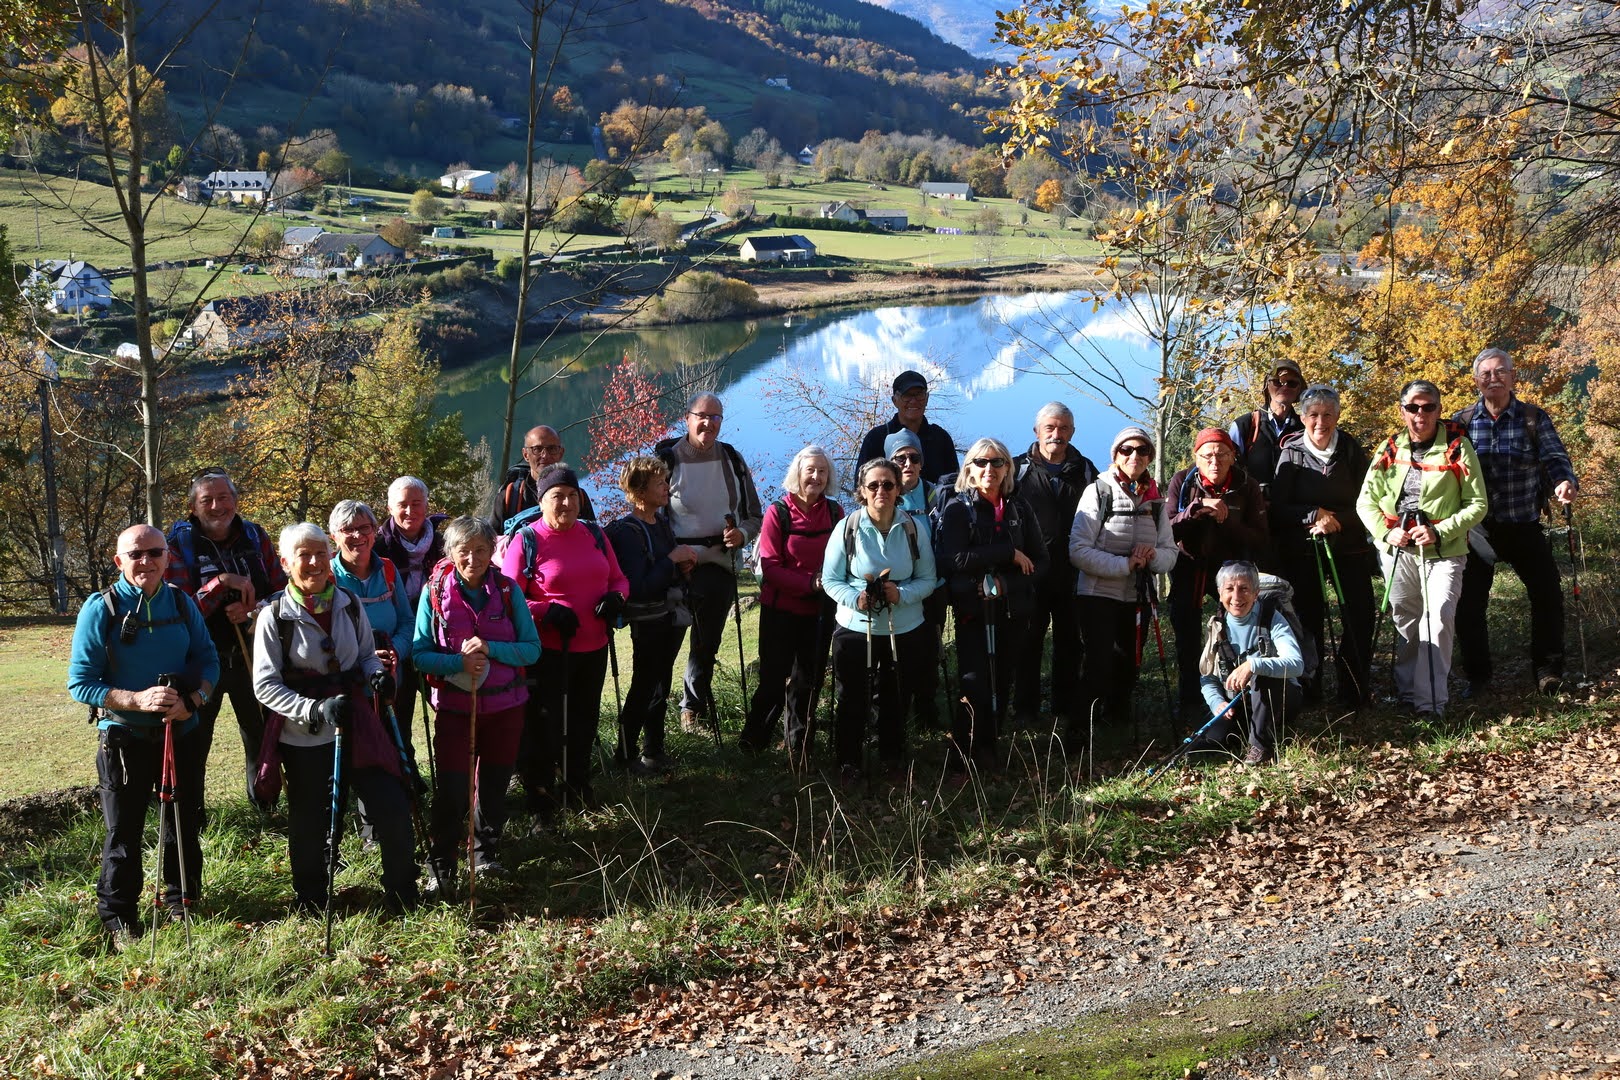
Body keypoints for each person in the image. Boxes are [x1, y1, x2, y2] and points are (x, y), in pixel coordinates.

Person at [252, 524, 418, 913]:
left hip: (358, 722)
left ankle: (402, 893)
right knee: (310, 820)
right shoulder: (274, 616)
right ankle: (310, 899)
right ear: (285, 562)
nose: (314, 562)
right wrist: (314, 709)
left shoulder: (349, 603)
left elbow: (365, 655)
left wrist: (376, 674)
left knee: (392, 803)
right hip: (304, 734)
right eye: (303, 555)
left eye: (320, 553)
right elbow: (265, 685)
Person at [68, 525, 219, 951]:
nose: (146, 561)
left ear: (167, 557)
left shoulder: (181, 602)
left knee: (183, 822)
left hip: (180, 733)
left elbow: (208, 660)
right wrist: (136, 699)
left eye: (155, 552)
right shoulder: (101, 608)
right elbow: (80, 683)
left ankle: (182, 900)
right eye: (136, 554)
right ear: (119, 561)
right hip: (124, 737)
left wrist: (194, 700)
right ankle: (119, 918)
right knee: (124, 830)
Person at [411, 517, 540, 894]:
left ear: (492, 551)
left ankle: (485, 855)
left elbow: (532, 649)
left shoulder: (508, 590)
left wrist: (490, 648)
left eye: (481, 549)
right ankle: (442, 865)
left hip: (506, 707)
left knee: (494, 785)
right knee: (452, 788)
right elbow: (419, 654)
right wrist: (458, 663)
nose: (472, 558)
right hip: (455, 709)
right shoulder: (434, 592)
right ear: (450, 553)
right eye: (463, 551)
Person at [1356, 379, 1488, 719]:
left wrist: (1439, 532)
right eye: (1413, 407)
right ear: (1402, 411)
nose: (1420, 414)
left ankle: (1431, 704)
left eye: (1428, 407)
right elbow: (1365, 502)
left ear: (1439, 410)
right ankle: (1408, 693)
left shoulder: (1457, 447)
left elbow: (1477, 503)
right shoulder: (1389, 448)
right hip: (1398, 550)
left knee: (1439, 617)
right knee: (1407, 619)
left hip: (1445, 551)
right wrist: (1387, 534)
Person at [501, 464, 628, 815]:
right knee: (545, 726)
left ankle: (578, 788)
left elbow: (619, 579)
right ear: (542, 500)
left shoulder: (594, 534)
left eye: (573, 495)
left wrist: (617, 598)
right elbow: (508, 597)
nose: (567, 503)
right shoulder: (527, 540)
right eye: (557, 496)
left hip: (594, 647)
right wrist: (545, 611)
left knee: (584, 722)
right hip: (548, 652)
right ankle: (540, 799)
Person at [1453, 347, 1580, 696]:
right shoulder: (1461, 422)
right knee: (1468, 603)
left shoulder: (1533, 418)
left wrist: (1563, 481)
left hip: (1523, 523)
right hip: (1477, 529)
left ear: (1513, 377)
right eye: (1486, 373)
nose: (1493, 378)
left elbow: (1555, 456)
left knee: (1547, 596)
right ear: (1476, 380)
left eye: (1500, 372)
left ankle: (1548, 671)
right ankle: (1478, 676)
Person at [165, 468, 286, 810]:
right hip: (202, 662)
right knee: (195, 739)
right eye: (207, 500)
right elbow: (181, 611)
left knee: (261, 734)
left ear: (235, 501)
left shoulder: (255, 536)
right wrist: (220, 584)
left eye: (224, 498)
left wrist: (256, 611)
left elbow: (282, 592)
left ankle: (266, 808)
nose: (217, 506)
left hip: (255, 654)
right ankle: (191, 816)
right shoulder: (177, 546)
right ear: (193, 507)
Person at [819, 457, 937, 783]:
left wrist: (901, 594)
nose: (880, 490)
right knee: (851, 696)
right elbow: (830, 580)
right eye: (873, 485)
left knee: (896, 696)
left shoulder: (913, 528)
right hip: (856, 626)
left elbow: (928, 579)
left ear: (899, 489)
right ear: (862, 490)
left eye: (888, 484)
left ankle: (892, 758)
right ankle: (848, 761)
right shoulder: (847, 528)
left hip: (905, 627)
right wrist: (855, 599)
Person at [654, 392, 764, 736]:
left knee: (706, 643)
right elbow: (652, 517)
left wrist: (742, 536)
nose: (708, 423)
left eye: (715, 417)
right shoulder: (667, 460)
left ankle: (692, 710)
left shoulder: (731, 459)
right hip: (677, 568)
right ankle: (653, 718)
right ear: (687, 418)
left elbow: (754, 515)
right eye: (701, 416)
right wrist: (674, 555)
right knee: (666, 643)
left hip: (718, 564)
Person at [936, 438, 1048, 772]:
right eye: (981, 462)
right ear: (969, 468)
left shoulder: (1019, 508)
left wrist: (1005, 584)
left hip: (1013, 609)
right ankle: (963, 753)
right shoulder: (958, 508)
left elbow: (1041, 562)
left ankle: (989, 747)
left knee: (1002, 679)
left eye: (997, 462)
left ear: (1008, 468)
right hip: (973, 611)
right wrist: (1007, 553)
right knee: (974, 682)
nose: (989, 469)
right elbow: (953, 558)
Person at [1068, 427, 1178, 744]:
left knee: (1129, 664)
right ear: (1115, 455)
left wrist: (1152, 557)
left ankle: (1115, 724)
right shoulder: (1098, 492)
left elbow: (1170, 553)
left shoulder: (1155, 502)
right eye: (1127, 450)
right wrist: (1124, 565)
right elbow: (1078, 550)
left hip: (1137, 595)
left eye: (1142, 450)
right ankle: (1078, 732)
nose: (1134, 456)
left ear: (1150, 457)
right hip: (1097, 594)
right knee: (1098, 665)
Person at [1270, 386, 1376, 706]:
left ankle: (1353, 688)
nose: (1321, 422)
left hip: (1350, 545)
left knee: (1360, 615)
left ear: (1338, 416)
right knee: (1307, 618)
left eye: (1328, 414)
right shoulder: (1291, 452)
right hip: (1305, 549)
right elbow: (1278, 508)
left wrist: (1337, 520)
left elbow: (1371, 500)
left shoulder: (1350, 449)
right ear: (1303, 418)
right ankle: (1309, 687)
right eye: (1313, 415)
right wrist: (1313, 514)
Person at [739, 445, 842, 763]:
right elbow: (770, 567)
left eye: (822, 471)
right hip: (781, 611)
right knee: (772, 679)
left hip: (820, 612)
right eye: (810, 470)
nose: (816, 477)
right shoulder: (778, 512)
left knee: (808, 681)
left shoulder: (835, 513)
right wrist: (810, 583)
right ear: (798, 473)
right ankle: (752, 745)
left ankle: (798, 745)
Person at [604, 457, 697, 774]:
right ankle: (626, 754)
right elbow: (638, 587)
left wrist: (683, 565)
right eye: (660, 483)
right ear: (640, 491)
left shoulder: (660, 523)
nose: (667, 487)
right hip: (648, 621)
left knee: (660, 685)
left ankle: (653, 751)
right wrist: (672, 558)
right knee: (645, 686)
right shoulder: (629, 533)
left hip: (669, 617)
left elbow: (666, 570)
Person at [330, 499, 416, 841]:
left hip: (392, 680)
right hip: (350, 684)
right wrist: (364, 657)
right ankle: (370, 830)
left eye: (364, 528)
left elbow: (407, 622)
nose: (357, 536)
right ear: (334, 536)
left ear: (375, 531)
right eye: (348, 530)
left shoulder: (388, 571)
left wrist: (395, 653)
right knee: (361, 754)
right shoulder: (328, 577)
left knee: (397, 745)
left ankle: (401, 820)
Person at [1167, 428, 1270, 713]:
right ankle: (1190, 699)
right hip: (1189, 565)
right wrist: (1197, 508)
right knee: (1186, 632)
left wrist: (1227, 519)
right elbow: (1167, 528)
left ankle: (1237, 695)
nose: (1215, 461)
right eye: (1207, 455)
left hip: (1231, 570)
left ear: (1233, 456)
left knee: (1233, 631)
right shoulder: (1182, 481)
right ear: (1196, 457)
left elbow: (1260, 537)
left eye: (1222, 454)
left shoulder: (1247, 485)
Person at [1011, 402, 1098, 730]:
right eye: (1050, 428)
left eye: (1063, 428)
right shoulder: (1017, 469)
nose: (1056, 434)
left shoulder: (1085, 470)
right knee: (1027, 642)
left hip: (1072, 570)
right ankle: (1025, 709)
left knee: (1070, 642)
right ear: (1037, 431)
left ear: (1072, 432)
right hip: (1029, 572)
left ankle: (1064, 706)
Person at [1192, 560, 1305, 765]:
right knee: (1213, 741)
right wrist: (1217, 703)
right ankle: (1249, 730)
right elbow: (1207, 677)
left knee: (1262, 674)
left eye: (1244, 589)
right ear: (1219, 593)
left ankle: (1260, 747)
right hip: (1239, 703)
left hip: (1281, 699)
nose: (1236, 597)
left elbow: (1296, 664)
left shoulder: (1273, 619)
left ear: (1256, 593)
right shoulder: (1217, 626)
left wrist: (1253, 665)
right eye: (1229, 589)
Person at [375, 476, 447, 742]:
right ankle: (405, 765)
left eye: (416, 503)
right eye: (402, 504)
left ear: (426, 505)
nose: (409, 511)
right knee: (398, 716)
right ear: (390, 508)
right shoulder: (377, 547)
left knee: (447, 710)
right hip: (395, 641)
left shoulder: (443, 544)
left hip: (436, 640)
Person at [888, 427, 945, 733]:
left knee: (930, 651)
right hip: (896, 589)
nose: (908, 464)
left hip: (933, 588)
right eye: (900, 458)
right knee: (895, 653)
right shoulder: (882, 494)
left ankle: (926, 715)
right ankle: (893, 714)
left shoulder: (937, 494)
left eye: (914, 457)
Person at [857, 370, 960, 484]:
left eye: (919, 394)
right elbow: (861, 485)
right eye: (907, 395)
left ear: (927, 398)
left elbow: (954, 484)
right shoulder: (877, 438)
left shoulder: (940, 438)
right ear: (894, 401)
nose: (913, 401)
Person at [493, 425, 596, 531]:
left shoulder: (578, 497)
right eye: (537, 449)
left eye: (552, 449)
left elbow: (592, 536)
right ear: (526, 454)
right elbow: (493, 539)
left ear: (561, 453)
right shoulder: (510, 498)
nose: (545, 455)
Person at [1228, 361, 1306, 495]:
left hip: (1295, 506)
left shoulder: (1306, 429)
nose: (1284, 387)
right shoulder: (1244, 426)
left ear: (1299, 390)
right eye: (1277, 382)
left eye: (1292, 383)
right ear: (1266, 386)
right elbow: (1227, 469)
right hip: (1252, 506)